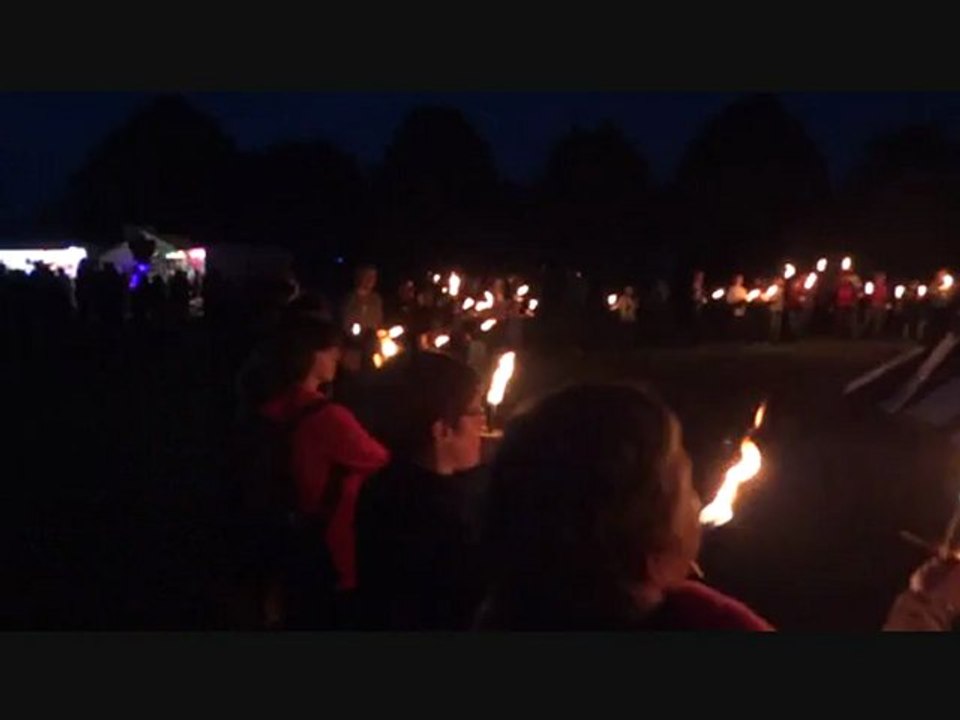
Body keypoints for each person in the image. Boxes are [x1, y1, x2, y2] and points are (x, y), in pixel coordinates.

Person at [476, 383, 960, 631]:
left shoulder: (503, 614)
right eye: (685, 482)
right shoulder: (704, 630)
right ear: (649, 533)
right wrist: (924, 612)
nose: (699, 496)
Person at [250, 319, 390, 628]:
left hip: (281, 535)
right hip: (326, 545)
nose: (337, 357)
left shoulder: (268, 408)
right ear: (311, 356)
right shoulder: (327, 418)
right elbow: (380, 459)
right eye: (331, 351)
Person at [355, 352, 489, 630]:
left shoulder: (382, 487)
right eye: (475, 411)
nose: (483, 425)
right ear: (441, 430)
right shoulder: (445, 518)